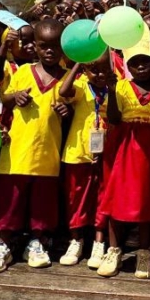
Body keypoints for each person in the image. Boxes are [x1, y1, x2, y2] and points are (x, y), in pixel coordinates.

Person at [0, 19, 68, 272]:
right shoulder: (23, 71)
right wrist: (15, 97)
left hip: (48, 154)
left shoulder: (68, 79)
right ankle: (3, 244)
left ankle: (36, 241)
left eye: (56, 46)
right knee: (9, 201)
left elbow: (74, 108)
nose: (50, 51)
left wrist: (66, 110)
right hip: (16, 152)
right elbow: (4, 96)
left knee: (42, 205)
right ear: (34, 46)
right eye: (44, 45)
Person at [98, 30, 150, 279]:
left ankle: (143, 253)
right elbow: (113, 119)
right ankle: (114, 250)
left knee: (145, 204)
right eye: (135, 62)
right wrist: (110, 90)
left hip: (149, 157)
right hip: (121, 153)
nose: (140, 66)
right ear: (128, 65)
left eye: (146, 61)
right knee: (115, 201)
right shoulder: (120, 87)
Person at [57, 56, 111, 267]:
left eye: (103, 70)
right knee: (76, 197)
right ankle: (76, 239)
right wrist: (79, 62)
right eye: (93, 70)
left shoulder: (116, 88)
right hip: (78, 152)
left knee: (102, 197)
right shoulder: (80, 85)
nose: (99, 75)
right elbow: (63, 92)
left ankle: (99, 241)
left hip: (105, 154)